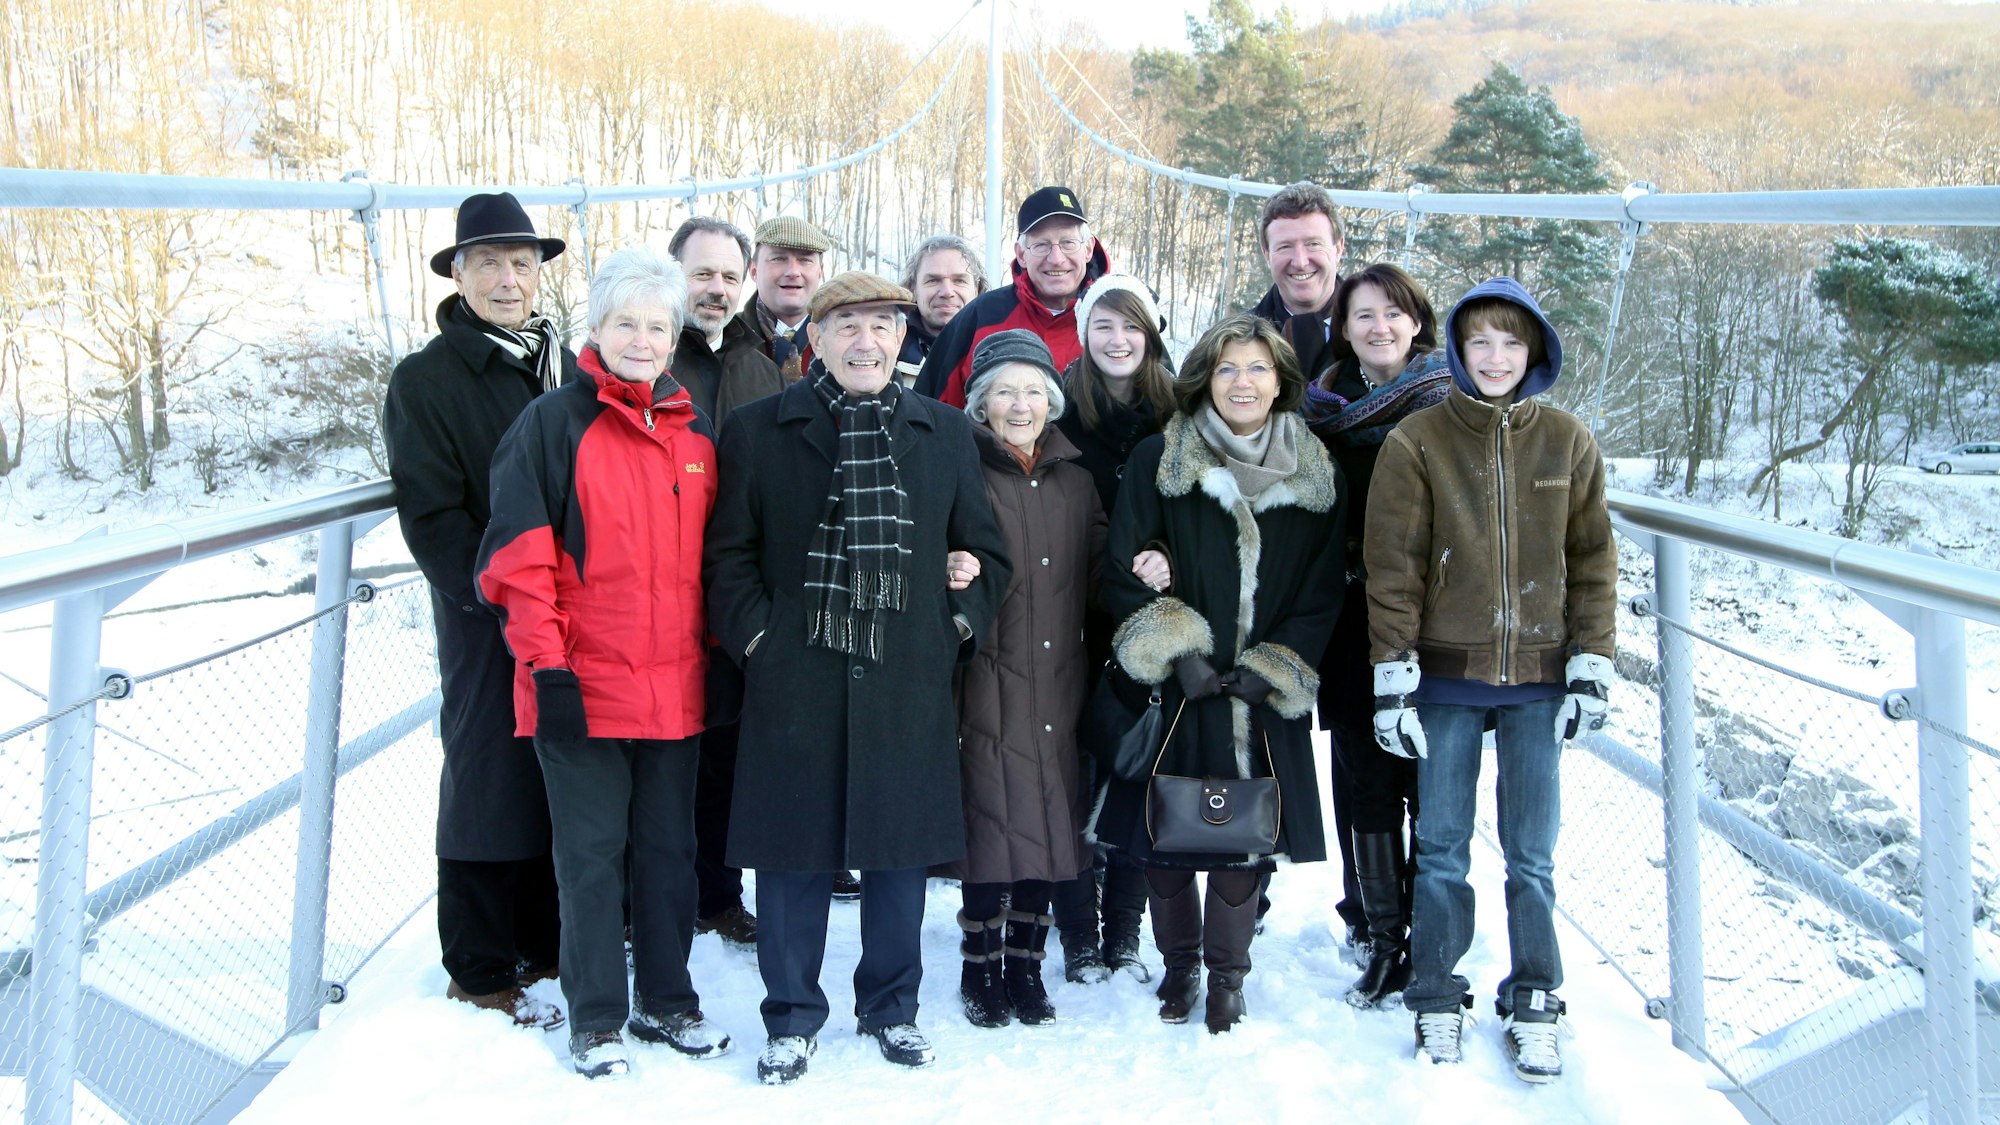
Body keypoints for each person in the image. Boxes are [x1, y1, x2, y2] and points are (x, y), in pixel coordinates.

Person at [704, 272, 1012, 1084]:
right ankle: (792, 1014)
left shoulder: (944, 432)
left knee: (897, 853)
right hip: (795, 670)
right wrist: (759, 639)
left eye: (881, 326)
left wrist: (953, 623)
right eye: (846, 326)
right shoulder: (758, 430)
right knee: (791, 852)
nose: (865, 342)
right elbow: (728, 557)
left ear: (903, 340)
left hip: (907, 671)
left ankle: (891, 1006)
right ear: (818, 338)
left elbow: (986, 552)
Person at [476, 246, 733, 1078]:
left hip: (674, 687)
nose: (643, 338)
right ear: (597, 328)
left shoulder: (694, 436)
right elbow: (519, 563)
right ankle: (596, 1019)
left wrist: (720, 654)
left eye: (658, 326)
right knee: (589, 858)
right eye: (627, 322)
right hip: (581, 685)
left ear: (674, 337)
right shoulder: (555, 425)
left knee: (668, 851)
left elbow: (716, 562)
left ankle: (667, 1000)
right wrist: (547, 669)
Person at [1365, 276, 1616, 1081]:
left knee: (1531, 853)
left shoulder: (1568, 441)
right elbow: (1392, 566)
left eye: (1513, 341)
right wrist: (1393, 674)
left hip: (1540, 678)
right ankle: (1438, 993)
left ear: (1535, 350)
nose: (1498, 356)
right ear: (1458, 351)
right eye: (1482, 341)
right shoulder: (1420, 440)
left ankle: (1536, 996)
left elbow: (1593, 561)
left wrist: (1590, 662)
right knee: (1439, 848)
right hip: (1445, 675)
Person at [1095, 313, 1345, 1034]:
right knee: (1163, 836)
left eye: (1258, 368)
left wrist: (1275, 668)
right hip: (1180, 683)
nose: (1244, 382)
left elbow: (1324, 589)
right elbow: (1123, 564)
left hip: (1260, 690)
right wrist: (1179, 649)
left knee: (1243, 837)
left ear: (1281, 380)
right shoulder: (1158, 457)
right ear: (1206, 376)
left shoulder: (1316, 470)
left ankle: (1228, 977)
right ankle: (1179, 967)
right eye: (1229, 368)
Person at [382, 191, 571, 1033]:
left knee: (555, 763)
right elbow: (431, 512)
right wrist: (496, 600)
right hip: (487, 609)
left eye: (522, 264)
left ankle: (545, 938)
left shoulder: (563, 361)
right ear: (458, 275)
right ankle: (481, 961)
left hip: (571, 607)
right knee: (488, 768)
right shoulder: (428, 377)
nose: (508, 280)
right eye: (489, 263)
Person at [1299, 262, 1453, 1008]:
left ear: (1418, 321)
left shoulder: (1454, 403)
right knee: (1364, 778)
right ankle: (1382, 936)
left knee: (1430, 781)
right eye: (1364, 315)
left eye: (1394, 313)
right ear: (1344, 327)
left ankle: (1430, 938)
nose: (1380, 327)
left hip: (1437, 617)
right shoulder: (1321, 409)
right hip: (1351, 619)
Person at [950, 330, 1110, 1029]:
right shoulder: (961, 469)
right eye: (1005, 391)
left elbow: (1104, 568)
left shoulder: (1076, 481)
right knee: (991, 820)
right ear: (982, 403)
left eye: (1034, 390)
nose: (1021, 404)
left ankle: (1026, 964)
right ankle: (979, 967)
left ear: (1053, 399)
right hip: (984, 672)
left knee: (1048, 818)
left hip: (1059, 675)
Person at [1047, 274, 1177, 986]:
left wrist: (1174, 560)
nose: (1118, 339)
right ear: (1086, 332)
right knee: (1074, 778)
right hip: (1072, 617)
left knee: (1137, 774)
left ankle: (1125, 930)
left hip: (1149, 622)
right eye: (1104, 325)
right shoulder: (1060, 410)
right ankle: (1077, 931)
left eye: (1131, 325)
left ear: (1150, 333)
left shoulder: (1182, 414)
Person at [668, 215, 784, 948]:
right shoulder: (646, 347)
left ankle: (716, 894)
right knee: (657, 758)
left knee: (725, 756)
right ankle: (642, 902)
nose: (715, 289)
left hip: (735, 589)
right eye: (700, 273)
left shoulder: (760, 360)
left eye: (727, 276)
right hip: (660, 587)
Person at [915, 186, 1110, 407]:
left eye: (1068, 243)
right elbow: (927, 412)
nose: (1056, 258)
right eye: (1041, 245)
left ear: (1088, 249)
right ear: (1021, 254)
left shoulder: (1120, 316)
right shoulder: (981, 316)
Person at [1248, 182, 1347, 382]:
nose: (1300, 262)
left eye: (1313, 244)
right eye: (1285, 247)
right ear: (1267, 255)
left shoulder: (1381, 335)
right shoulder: (1231, 343)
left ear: (1338, 248)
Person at [734, 215, 831, 382]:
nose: (793, 272)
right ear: (753, 270)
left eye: (805, 260)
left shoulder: (844, 341)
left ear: (820, 272)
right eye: (778, 259)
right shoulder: (726, 339)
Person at [895, 234, 987, 385]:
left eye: (959, 280)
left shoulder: (1000, 351)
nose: (947, 292)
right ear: (913, 288)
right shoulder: (888, 354)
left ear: (977, 289)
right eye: (933, 280)